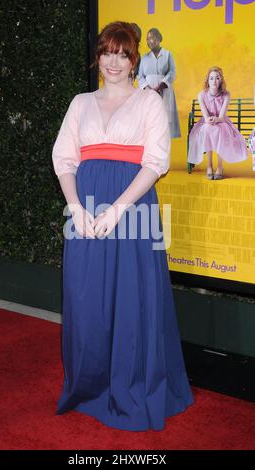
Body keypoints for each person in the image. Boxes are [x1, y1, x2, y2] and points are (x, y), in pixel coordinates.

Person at [52, 21, 193, 432]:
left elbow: (156, 162)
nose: (114, 62)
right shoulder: (80, 103)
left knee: (134, 300)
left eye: (123, 54)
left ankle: (133, 385)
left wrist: (117, 210)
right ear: (98, 56)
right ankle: (89, 385)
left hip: (132, 210)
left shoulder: (149, 102)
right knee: (87, 299)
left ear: (134, 60)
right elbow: (64, 158)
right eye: (107, 53)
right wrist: (75, 207)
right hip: (85, 212)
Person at [187, 66, 248, 180]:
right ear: (208, 80)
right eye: (211, 78)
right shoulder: (202, 95)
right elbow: (205, 117)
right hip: (207, 122)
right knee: (207, 129)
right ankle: (209, 165)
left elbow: (222, 116)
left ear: (221, 80)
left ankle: (220, 166)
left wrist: (217, 120)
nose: (214, 81)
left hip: (222, 122)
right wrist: (209, 120)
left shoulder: (226, 95)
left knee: (221, 130)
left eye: (217, 78)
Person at [137, 28, 181, 138]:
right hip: (148, 95)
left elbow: (172, 72)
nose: (149, 41)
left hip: (165, 92)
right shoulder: (144, 58)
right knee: (150, 123)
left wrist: (161, 86)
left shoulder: (168, 55)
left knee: (165, 123)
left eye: (152, 38)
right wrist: (149, 90)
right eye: (147, 39)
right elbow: (140, 76)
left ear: (159, 38)